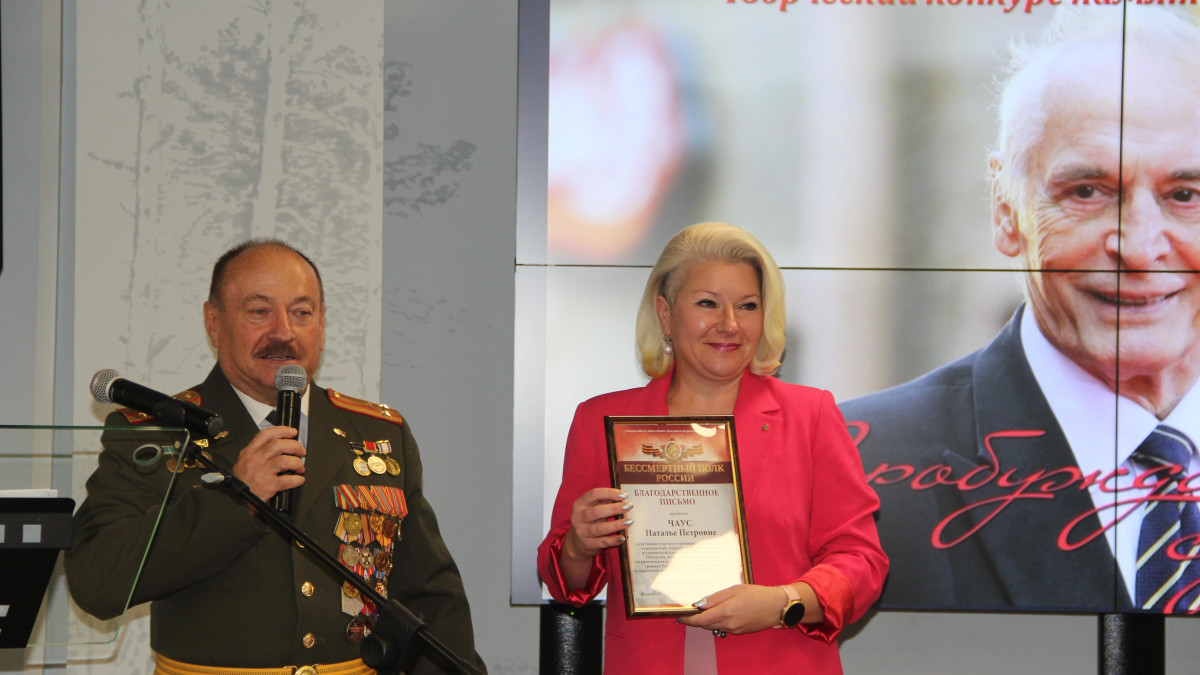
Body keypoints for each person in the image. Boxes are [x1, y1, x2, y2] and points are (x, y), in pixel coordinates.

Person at [841, 7, 1200, 613]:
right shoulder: (847, 474)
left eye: (1186, 195)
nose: (1139, 248)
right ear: (1006, 209)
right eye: (1087, 192)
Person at [67, 240, 484, 674]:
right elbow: (97, 583)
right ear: (214, 323)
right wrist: (234, 500)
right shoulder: (155, 434)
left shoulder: (378, 434)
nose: (283, 332)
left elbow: (429, 599)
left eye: (302, 312)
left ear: (322, 324)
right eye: (259, 311)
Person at [537, 222, 887, 673]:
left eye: (747, 306)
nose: (730, 324)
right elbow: (565, 584)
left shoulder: (810, 415)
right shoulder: (600, 421)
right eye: (707, 303)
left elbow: (862, 562)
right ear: (665, 314)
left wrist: (782, 603)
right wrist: (579, 546)